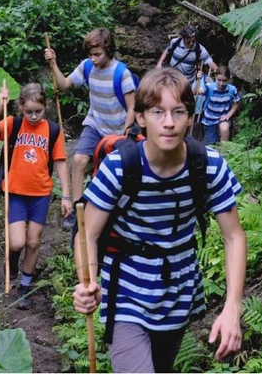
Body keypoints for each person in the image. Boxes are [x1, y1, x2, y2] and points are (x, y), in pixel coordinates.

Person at [72, 68, 246, 372]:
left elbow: (234, 237)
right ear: (141, 118)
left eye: (178, 112)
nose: (168, 122)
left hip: (177, 293)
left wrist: (232, 306)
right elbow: (87, 233)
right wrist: (86, 282)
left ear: (191, 116)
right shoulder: (119, 167)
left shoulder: (208, 166)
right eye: (157, 112)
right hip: (126, 291)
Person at [0, 83, 72, 310]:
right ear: (21, 107)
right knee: (17, 242)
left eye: (38, 111)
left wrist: (66, 195)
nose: (33, 116)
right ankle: (12, 262)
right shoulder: (13, 124)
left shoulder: (52, 130)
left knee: (33, 242)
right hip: (16, 192)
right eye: (29, 111)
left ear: (45, 108)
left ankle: (24, 286)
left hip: (40, 194)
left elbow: (61, 162)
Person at [43, 28, 137, 204]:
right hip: (95, 123)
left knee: (113, 170)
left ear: (108, 51)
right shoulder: (86, 66)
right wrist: (53, 63)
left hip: (118, 129)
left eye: (97, 54)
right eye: (91, 54)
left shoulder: (122, 73)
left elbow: (132, 107)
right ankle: (77, 207)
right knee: (79, 160)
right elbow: (64, 85)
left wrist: (126, 133)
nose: (93, 59)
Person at [199, 65, 240, 145]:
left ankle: (223, 154)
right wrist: (198, 80)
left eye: (224, 81)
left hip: (223, 117)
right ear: (215, 77)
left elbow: (236, 103)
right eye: (219, 80)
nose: (221, 83)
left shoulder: (232, 89)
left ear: (228, 79)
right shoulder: (209, 86)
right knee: (210, 144)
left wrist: (228, 115)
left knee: (224, 129)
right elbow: (197, 92)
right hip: (209, 119)